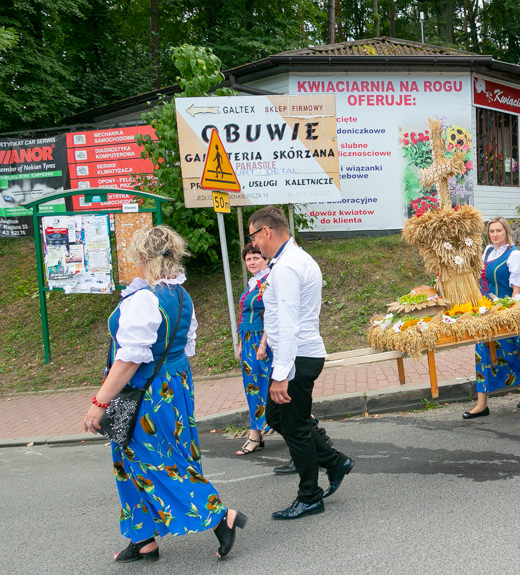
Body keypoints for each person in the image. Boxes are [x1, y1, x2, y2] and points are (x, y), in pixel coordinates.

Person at [82, 226, 245, 562]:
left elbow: (129, 359)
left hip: (144, 391)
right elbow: (186, 347)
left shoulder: (144, 299)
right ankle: (143, 537)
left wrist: (99, 403)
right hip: (174, 386)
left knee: (153, 461)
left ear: (143, 258)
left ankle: (218, 515)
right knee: (133, 459)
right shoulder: (181, 296)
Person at [248, 205, 354, 520]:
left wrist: (282, 375)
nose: (255, 245)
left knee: (294, 426)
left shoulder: (288, 266)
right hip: (295, 355)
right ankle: (334, 462)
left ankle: (310, 495)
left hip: (298, 358)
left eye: (255, 236)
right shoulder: (288, 260)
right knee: (277, 418)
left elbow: (291, 323)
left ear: (266, 231)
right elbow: (281, 317)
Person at [463, 217, 520, 418]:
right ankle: (481, 403)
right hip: (486, 312)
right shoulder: (487, 252)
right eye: (492, 231)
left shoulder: (516, 255)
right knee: (483, 353)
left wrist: (509, 312)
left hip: (506, 312)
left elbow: (517, 289)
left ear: (507, 233)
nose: (494, 234)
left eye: (498, 231)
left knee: (516, 352)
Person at [234, 243, 271, 455]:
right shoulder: (252, 284)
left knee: (267, 385)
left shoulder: (269, 282)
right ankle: (256, 432)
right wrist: (241, 343)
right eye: (248, 259)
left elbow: (272, 314)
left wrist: (264, 343)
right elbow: (244, 315)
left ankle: (301, 426)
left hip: (263, 339)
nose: (252, 262)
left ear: (265, 259)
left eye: (256, 258)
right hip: (249, 341)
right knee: (252, 386)